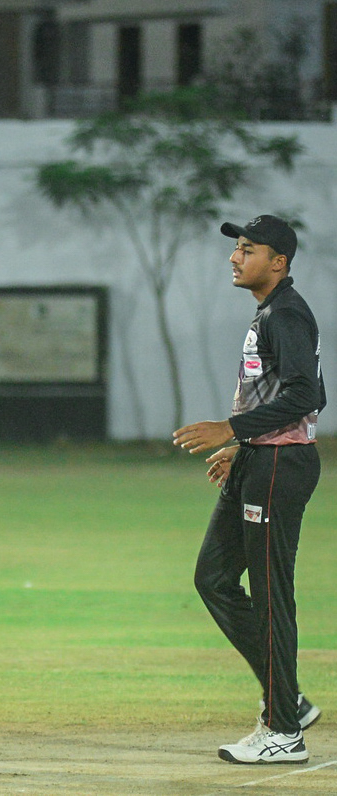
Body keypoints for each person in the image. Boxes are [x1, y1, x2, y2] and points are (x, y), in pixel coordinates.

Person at [173, 215, 324, 765]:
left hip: (280, 467)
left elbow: (308, 395)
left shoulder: (286, 313)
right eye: (237, 248)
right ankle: (289, 698)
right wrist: (244, 446)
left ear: (278, 262)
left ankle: (284, 731)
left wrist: (232, 430)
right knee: (213, 577)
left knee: (270, 594)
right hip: (260, 459)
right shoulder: (269, 312)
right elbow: (279, 397)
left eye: (248, 249)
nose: (235, 257)